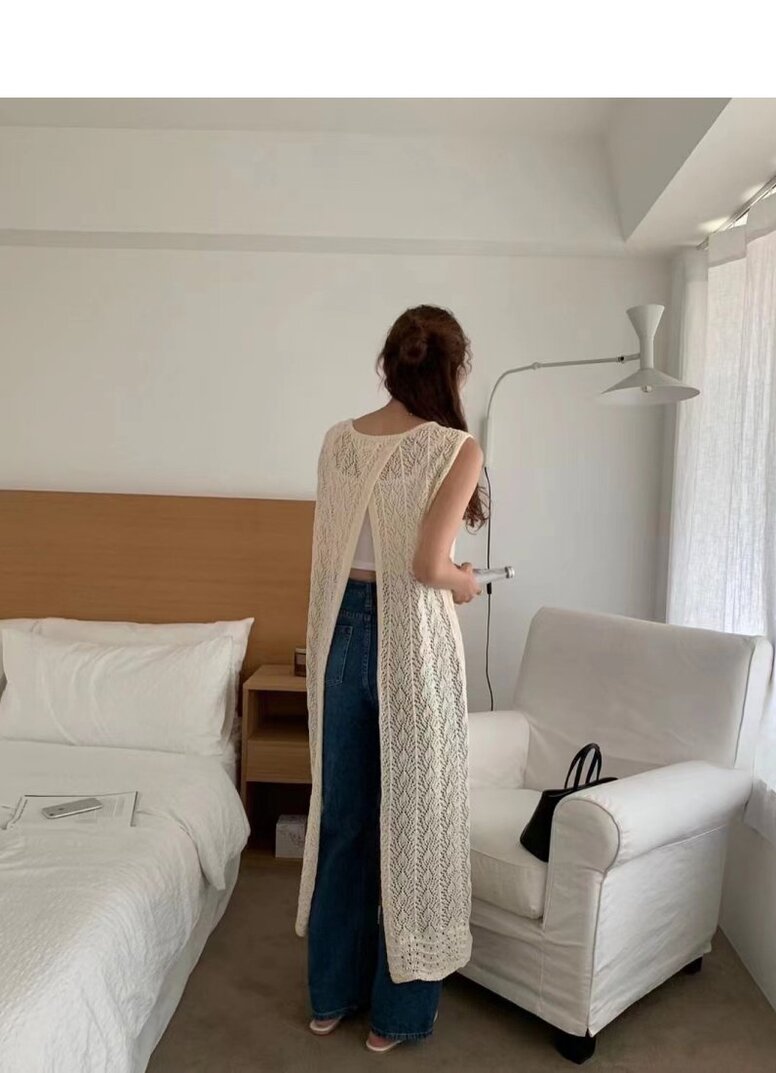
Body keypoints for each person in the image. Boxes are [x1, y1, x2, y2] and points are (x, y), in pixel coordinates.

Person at [295, 304, 487, 1052]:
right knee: (416, 824)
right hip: (414, 646)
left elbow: (332, 558)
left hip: (341, 637)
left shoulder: (338, 442)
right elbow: (429, 567)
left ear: (389, 361)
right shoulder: (455, 446)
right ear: (452, 369)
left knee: (344, 820)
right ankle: (395, 1018)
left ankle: (329, 997)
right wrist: (466, 582)